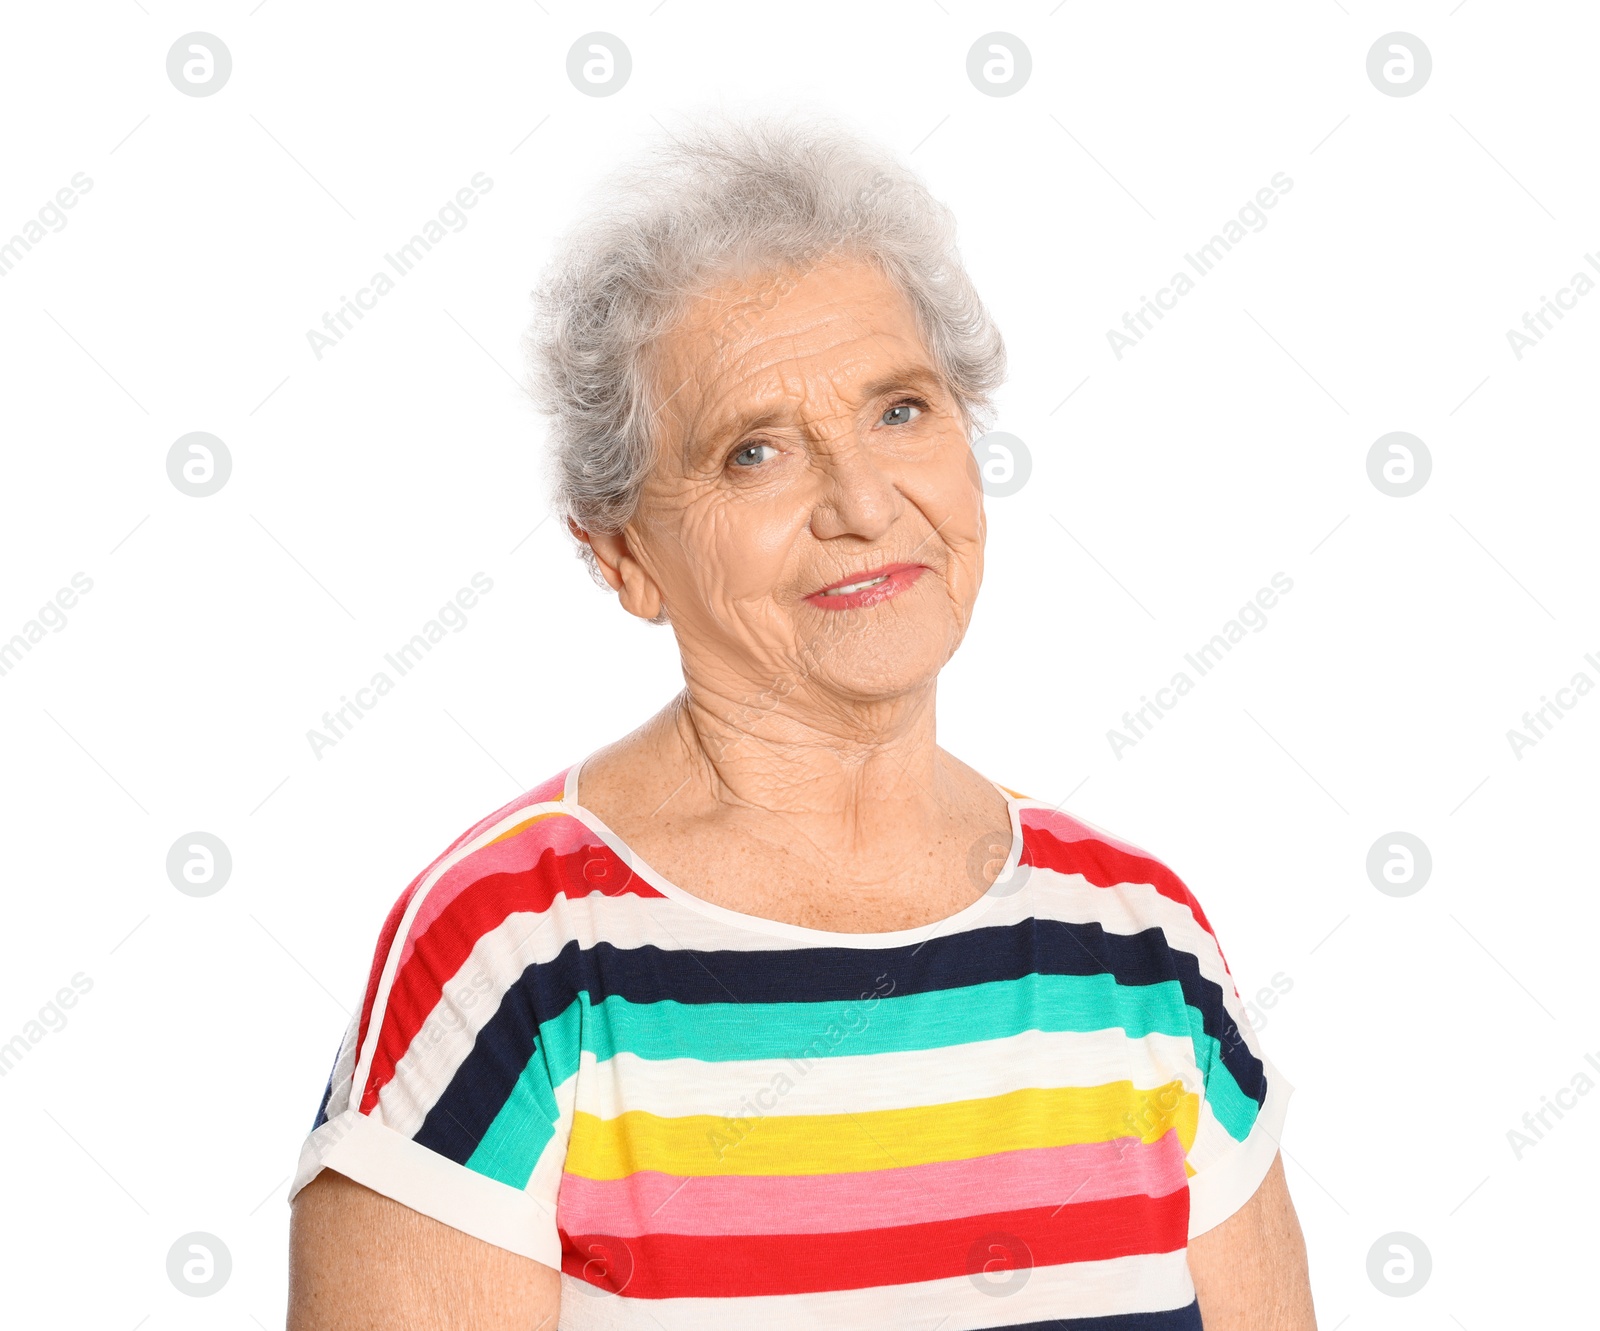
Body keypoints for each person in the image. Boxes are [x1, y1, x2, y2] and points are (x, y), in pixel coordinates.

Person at [286, 110, 1316, 1330]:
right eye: (754, 452)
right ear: (622, 554)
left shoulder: (1136, 940)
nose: (864, 503)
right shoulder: (514, 954)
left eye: (899, 410)